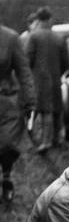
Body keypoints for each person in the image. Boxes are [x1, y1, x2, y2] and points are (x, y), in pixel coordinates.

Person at [0, 17, 36, 203]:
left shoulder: (10, 38)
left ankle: (6, 175)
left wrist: (30, 101)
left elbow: (24, 72)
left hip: (6, 100)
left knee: (7, 144)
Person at [26, 7, 69, 154]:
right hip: (55, 79)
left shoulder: (34, 37)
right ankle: (57, 139)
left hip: (39, 81)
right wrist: (57, 73)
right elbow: (66, 62)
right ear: (50, 19)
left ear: (38, 20)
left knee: (44, 111)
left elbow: (27, 60)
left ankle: (45, 141)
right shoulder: (59, 37)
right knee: (56, 109)